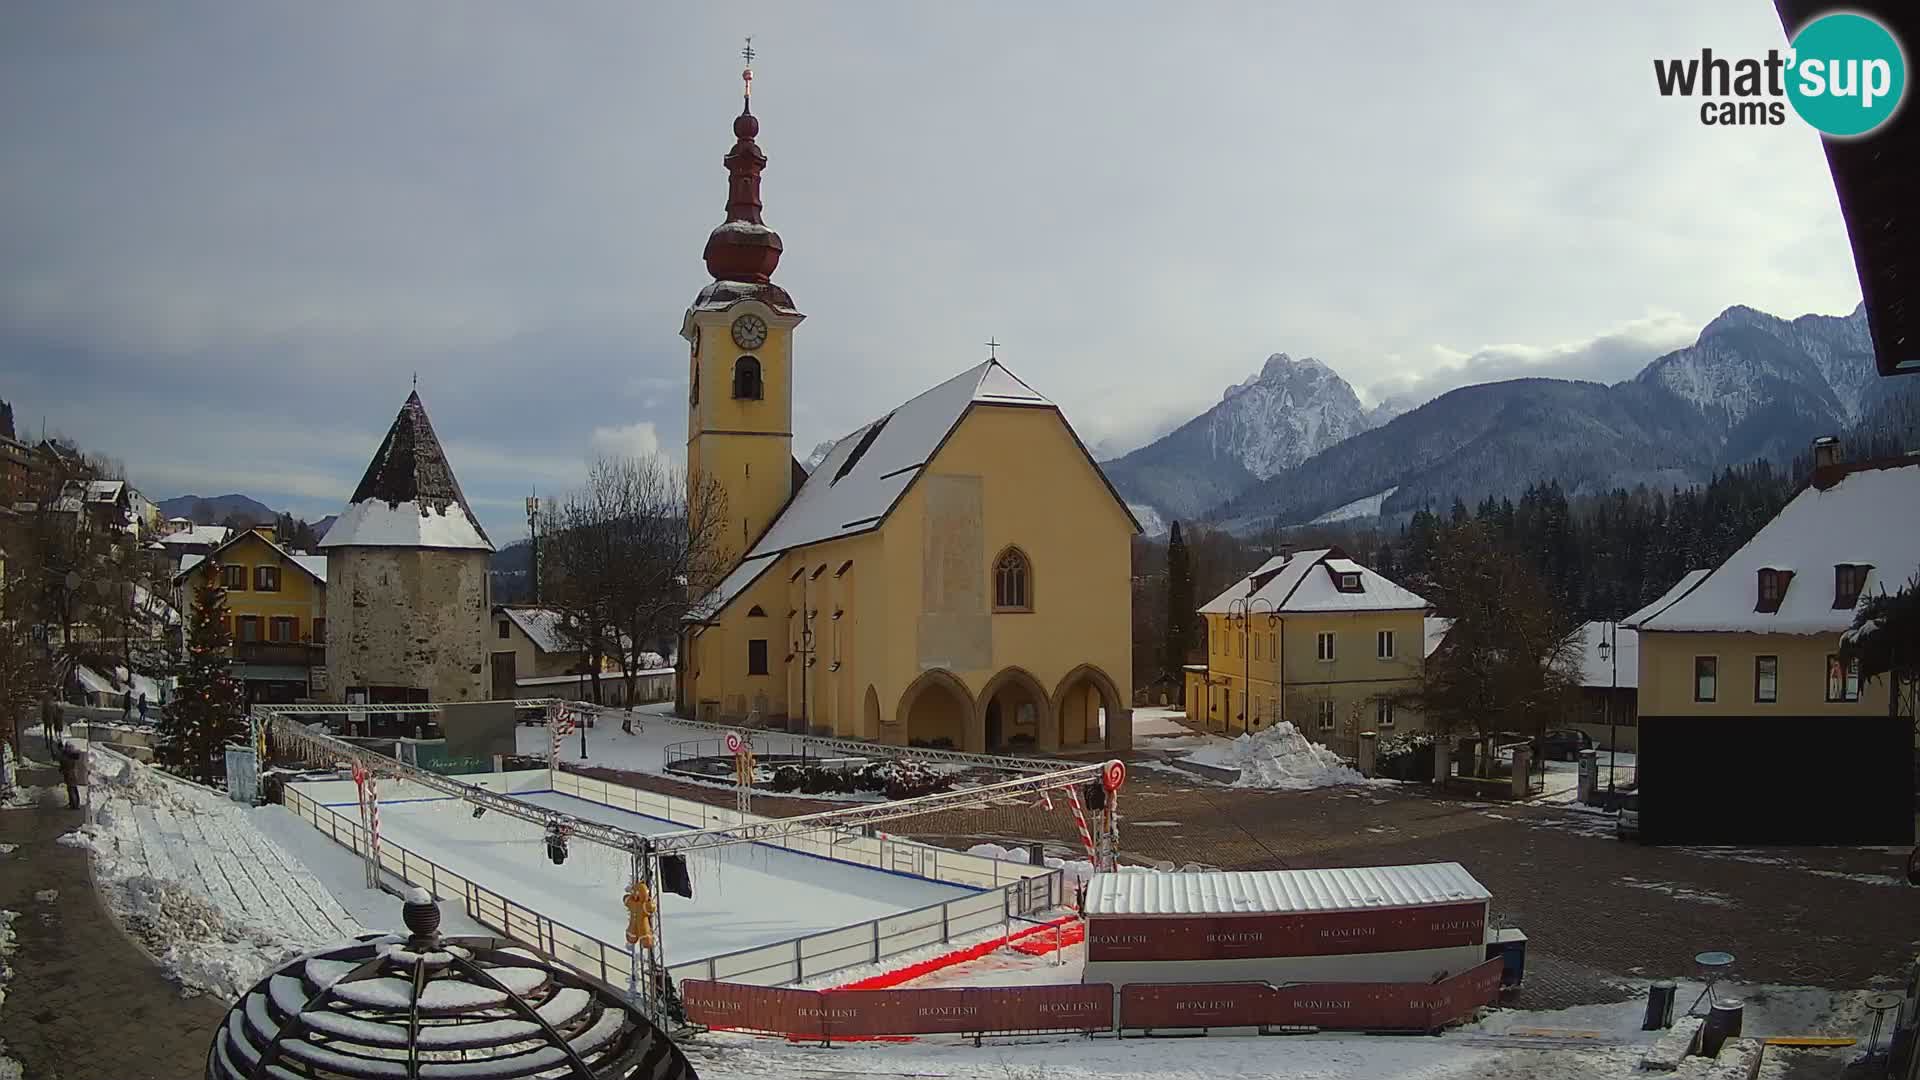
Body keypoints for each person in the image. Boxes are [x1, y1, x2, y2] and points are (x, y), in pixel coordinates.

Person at [58, 739, 86, 809]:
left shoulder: (67, 756)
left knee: (71, 789)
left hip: (69, 774)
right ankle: (75, 803)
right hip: (73, 773)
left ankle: (74, 805)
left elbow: (64, 764)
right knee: (73, 788)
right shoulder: (72, 755)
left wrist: (62, 769)